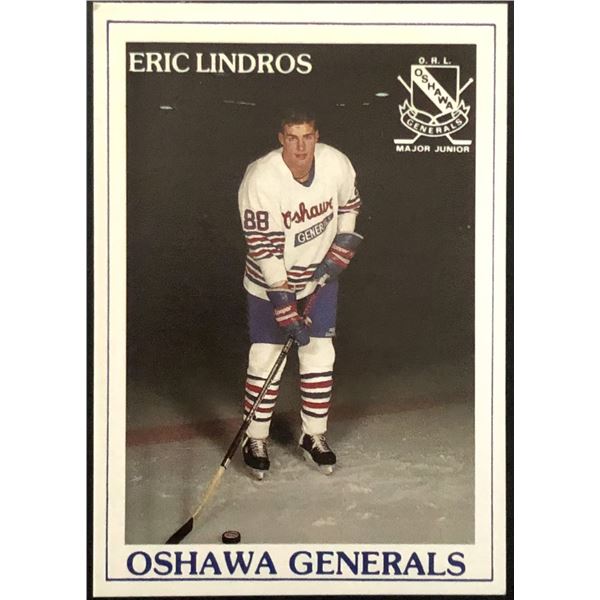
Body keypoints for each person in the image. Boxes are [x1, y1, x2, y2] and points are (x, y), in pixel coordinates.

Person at [237, 107, 363, 478]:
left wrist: (342, 245)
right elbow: (263, 246)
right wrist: (283, 303)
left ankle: (313, 434)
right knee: (266, 357)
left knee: (320, 353)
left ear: (316, 136)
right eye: (292, 138)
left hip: (319, 279)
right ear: (281, 139)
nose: (301, 147)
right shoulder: (261, 178)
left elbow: (349, 204)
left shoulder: (336, 163)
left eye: (307, 136)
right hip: (268, 284)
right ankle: (254, 438)